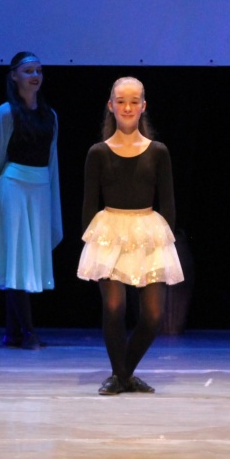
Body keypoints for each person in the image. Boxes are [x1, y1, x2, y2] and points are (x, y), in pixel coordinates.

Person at [77, 77, 184, 395]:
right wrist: (92, 247)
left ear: (143, 106)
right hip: (110, 234)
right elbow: (89, 204)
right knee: (114, 306)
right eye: (121, 101)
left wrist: (164, 241)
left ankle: (123, 375)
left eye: (134, 101)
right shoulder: (98, 152)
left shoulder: (157, 152)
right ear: (110, 105)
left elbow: (168, 203)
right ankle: (121, 375)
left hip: (148, 233)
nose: (127, 107)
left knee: (153, 315)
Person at [0, 51, 62, 350]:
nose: (35, 76)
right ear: (14, 76)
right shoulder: (6, 113)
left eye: (39, 70)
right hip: (13, 188)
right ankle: (27, 332)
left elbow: (51, 161)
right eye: (28, 71)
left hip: (39, 189)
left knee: (27, 258)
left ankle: (13, 332)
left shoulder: (50, 116)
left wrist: (50, 197)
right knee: (17, 258)